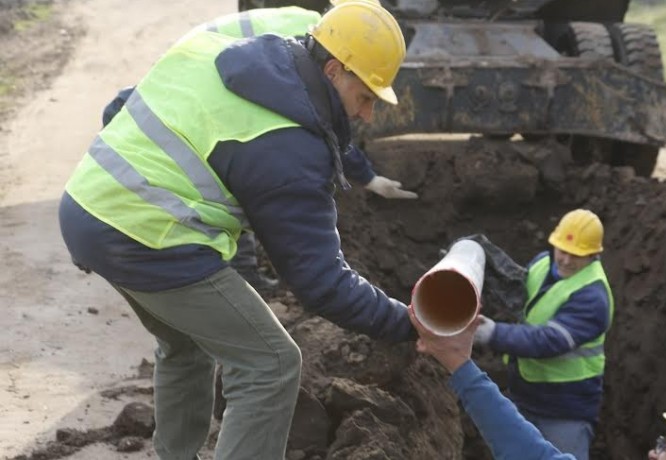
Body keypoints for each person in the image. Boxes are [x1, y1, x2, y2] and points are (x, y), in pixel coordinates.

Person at [59, 2, 413, 459]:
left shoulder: (242, 47)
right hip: (145, 239)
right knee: (270, 363)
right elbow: (321, 283)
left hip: (86, 205)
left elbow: (120, 105)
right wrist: (405, 323)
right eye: (365, 97)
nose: (367, 114)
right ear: (332, 70)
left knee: (183, 340)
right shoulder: (289, 149)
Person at [100, 0, 416, 298]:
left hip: (203, 72)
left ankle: (242, 284)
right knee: (235, 181)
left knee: (238, 180)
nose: (366, 112)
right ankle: (241, 285)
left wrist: (368, 177)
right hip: (193, 73)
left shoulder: (322, 41)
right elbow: (316, 125)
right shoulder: (310, 46)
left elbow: (325, 125)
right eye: (365, 99)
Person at [408, 307, 666, 460]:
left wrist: (461, 362)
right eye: (663, 442)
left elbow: (530, 453)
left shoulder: (591, 296)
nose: (654, 452)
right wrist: (461, 364)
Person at [472, 209, 614, 460]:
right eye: (563, 251)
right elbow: (519, 293)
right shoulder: (542, 262)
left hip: (565, 410)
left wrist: (493, 333)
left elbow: (548, 341)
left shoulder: (593, 297)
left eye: (577, 255)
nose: (567, 260)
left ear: (594, 255)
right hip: (525, 394)